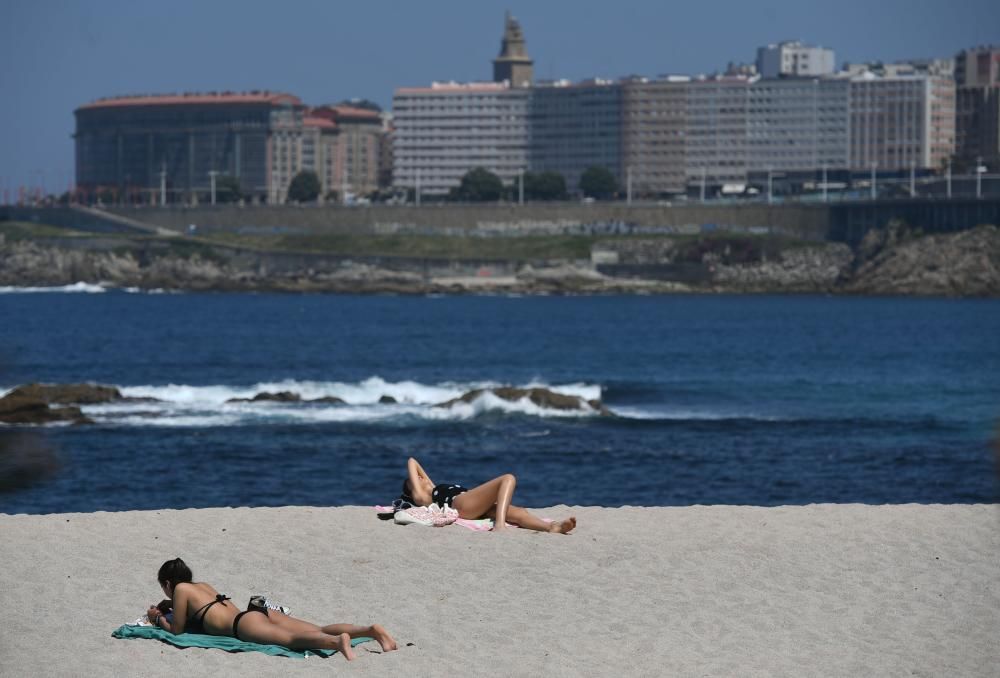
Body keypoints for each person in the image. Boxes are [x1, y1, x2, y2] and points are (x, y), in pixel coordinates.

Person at [146, 558, 397, 661]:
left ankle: (336, 642)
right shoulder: (202, 585)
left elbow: (177, 630)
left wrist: (157, 619)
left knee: (290, 640)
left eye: (164, 588)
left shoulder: (180, 590)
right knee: (317, 627)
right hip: (256, 611)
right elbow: (203, 611)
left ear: (168, 584)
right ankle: (372, 631)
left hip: (242, 626)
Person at [402, 457, 576, 534]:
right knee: (508, 478)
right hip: (461, 504)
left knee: (520, 513)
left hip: (472, 505)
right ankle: (499, 525)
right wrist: (414, 484)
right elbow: (411, 461)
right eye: (414, 480)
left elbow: (417, 465)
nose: (419, 477)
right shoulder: (422, 497)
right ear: (413, 489)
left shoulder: (433, 487)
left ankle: (552, 527)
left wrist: (421, 479)